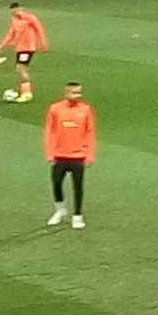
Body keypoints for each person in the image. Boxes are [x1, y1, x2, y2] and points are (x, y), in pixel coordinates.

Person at [43, 81, 96, 229]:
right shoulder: (55, 109)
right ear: (66, 93)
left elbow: (90, 132)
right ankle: (60, 209)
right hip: (59, 154)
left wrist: (90, 155)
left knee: (78, 186)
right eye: (74, 92)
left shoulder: (85, 109)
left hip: (78, 155)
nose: (77, 95)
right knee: (56, 183)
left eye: (79, 92)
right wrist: (49, 152)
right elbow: (49, 131)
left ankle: (77, 215)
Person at [0, 2, 48, 103]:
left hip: (27, 48)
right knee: (21, 69)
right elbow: (11, 34)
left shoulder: (30, 18)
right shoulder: (14, 20)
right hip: (20, 48)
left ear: (20, 9)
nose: (14, 13)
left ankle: (27, 93)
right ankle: (24, 90)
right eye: (12, 11)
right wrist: (3, 45)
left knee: (21, 69)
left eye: (15, 10)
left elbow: (39, 30)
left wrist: (43, 44)